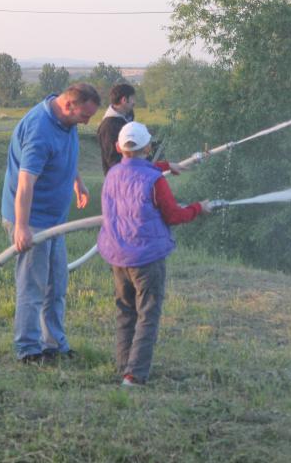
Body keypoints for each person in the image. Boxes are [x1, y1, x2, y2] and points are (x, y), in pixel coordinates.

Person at [97, 121, 214, 386]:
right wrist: (199, 208)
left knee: (126, 312)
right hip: (147, 259)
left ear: (119, 148)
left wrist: (167, 166)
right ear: (148, 148)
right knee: (147, 315)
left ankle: (123, 365)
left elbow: (134, 172)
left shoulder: (113, 173)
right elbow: (173, 215)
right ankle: (134, 375)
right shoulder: (155, 181)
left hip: (118, 257)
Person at [1, 83, 101, 363]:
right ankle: (28, 349)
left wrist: (77, 181)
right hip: (32, 220)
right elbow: (25, 183)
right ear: (69, 105)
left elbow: (63, 153)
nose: (86, 122)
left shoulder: (66, 121)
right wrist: (22, 227)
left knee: (56, 286)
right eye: (84, 116)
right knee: (33, 287)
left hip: (55, 221)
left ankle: (54, 344)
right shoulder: (40, 131)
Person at [97, 83, 136, 175]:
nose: (134, 102)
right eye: (133, 98)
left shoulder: (129, 115)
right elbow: (112, 159)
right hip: (119, 176)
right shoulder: (108, 126)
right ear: (124, 100)